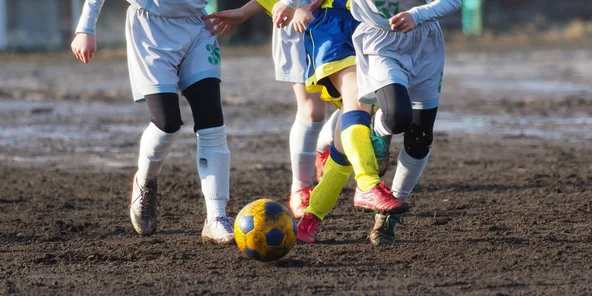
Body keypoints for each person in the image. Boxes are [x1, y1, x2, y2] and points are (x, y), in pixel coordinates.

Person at [70, 0, 237, 244]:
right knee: (167, 123)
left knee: (211, 120)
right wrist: (85, 28)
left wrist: (249, 10)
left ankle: (216, 217)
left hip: (198, 27)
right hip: (150, 29)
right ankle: (145, 181)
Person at [271, 0, 409, 244]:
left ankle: (311, 219)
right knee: (357, 98)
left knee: (344, 143)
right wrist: (291, 3)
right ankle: (368, 184)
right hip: (336, 23)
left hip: (373, 25)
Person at [204, 0, 340, 219]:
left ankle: (325, 143)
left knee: (364, 99)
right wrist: (245, 12)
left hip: (342, 17)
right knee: (313, 112)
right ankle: (301, 188)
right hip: (299, 27)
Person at [352, 0, 462, 246]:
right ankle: (379, 134)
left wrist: (417, 14)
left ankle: (388, 213)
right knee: (397, 116)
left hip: (424, 43)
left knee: (420, 137)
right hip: (381, 41)